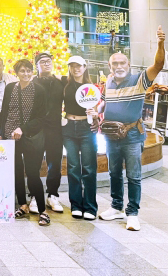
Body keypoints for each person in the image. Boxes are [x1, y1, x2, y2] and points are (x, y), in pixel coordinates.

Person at [98, 26, 165, 231]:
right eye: (114, 63)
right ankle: (117, 207)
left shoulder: (139, 80)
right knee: (114, 173)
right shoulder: (108, 82)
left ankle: (133, 213)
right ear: (110, 67)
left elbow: (159, 64)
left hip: (133, 135)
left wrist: (160, 43)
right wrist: (93, 110)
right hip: (111, 136)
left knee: (134, 175)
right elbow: (102, 104)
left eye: (122, 62)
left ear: (128, 64)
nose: (118, 66)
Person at [0, 59, 49, 226]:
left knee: (33, 173)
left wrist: (23, 128)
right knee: (16, 171)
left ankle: (43, 210)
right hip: (10, 135)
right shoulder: (10, 88)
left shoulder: (39, 90)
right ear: (16, 73)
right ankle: (22, 205)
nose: (26, 74)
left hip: (29, 136)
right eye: (22, 71)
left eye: (29, 70)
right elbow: (4, 111)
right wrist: (1, 133)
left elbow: (42, 117)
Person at [62, 56, 99, 220]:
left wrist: (96, 116)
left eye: (79, 66)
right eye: (72, 66)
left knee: (89, 168)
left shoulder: (91, 87)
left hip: (87, 128)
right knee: (73, 167)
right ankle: (76, 205)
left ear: (85, 67)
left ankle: (90, 207)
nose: (76, 69)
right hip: (69, 128)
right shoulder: (64, 84)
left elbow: (97, 110)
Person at [34, 52, 64, 214]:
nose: (47, 64)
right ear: (37, 65)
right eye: (43, 62)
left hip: (55, 129)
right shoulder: (31, 83)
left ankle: (52, 194)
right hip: (37, 130)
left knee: (55, 163)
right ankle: (34, 194)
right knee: (35, 163)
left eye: (49, 61)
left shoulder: (61, 82)